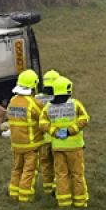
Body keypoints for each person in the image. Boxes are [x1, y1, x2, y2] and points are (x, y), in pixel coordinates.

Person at [45, 76, 90, 208]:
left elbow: (42, 123)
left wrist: (54, 131)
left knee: (61, 175)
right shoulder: (75, 104)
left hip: (58, 147)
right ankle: (80, 201)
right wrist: (71, 130)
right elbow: (85, 119)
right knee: (77, 174)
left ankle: (64, 202)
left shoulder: (48, 107)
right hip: (75, 147)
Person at [6, 70, 44, 203]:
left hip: (16, 144)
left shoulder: (12, 101)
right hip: (30, 145)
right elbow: (43, 118)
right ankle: (25, 196)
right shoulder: (33, 103)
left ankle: (13, 193)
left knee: (17, 168)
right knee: (29, 170)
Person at [34, 69, 61, 198]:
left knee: (45, 165)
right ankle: (57, 187)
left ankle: (48, 189)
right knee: (59, 165)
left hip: (43, 140)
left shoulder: (36, 99)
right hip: (57, 139)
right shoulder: (61, 99)